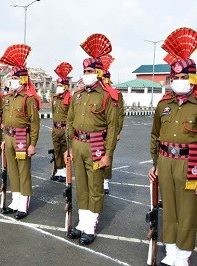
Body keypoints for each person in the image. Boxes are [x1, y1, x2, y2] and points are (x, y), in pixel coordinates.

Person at [149, 27, 197, 266]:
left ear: (193, 77)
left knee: (188, 211)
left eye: (184, 77)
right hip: (166, 161)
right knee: (168, 208)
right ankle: (170, 253)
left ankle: (183, 255)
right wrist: (155, 163)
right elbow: (155, 134)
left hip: (191, 163)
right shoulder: (163, 104)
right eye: (175, 77)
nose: (179, 81)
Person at [66, 33, 119, 245]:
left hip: (96, 144)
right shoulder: (77, 95)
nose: (87, 74)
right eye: (84, 71)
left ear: (98, 73)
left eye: (90, 71)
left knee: (96, 186)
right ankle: (82, 222)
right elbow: (69, 123)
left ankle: (91, 225)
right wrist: (69, 148)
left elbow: (113, 128)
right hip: (77, 144)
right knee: (82, 186)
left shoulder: (107, 96)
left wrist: (108, 154)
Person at [0, 44, 41, 220]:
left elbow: (35, 123)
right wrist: (3, 139)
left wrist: (32, 144)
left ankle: (24, 202)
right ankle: (15, 199)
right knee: (13, 171)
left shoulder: (29, 99)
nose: (12, 80)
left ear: (23, 80)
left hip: (23, 137)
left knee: (23, 170)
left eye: (15, 77)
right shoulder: (7, 98)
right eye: (11, 77)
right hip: (8, 137)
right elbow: (4, 121)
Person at [100, 55, 124, 194]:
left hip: (109, 130)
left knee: (108, 154)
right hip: (96, 131)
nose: (102, 80)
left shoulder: (115, 94)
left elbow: (120, 113)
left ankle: (105, 181)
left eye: (104, 78)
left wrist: (118, 131)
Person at [50, 62, 73, 182]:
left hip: (65, 129)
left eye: (60, 85)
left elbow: (72, 115)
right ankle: (58, 170)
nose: (58, 86)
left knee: (65, 150)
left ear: (65, 86)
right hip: (55, 128)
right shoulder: (54, 98)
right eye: (57, 84)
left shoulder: (70, 99)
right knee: (56, 149)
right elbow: (53, 113)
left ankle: (65, 171)